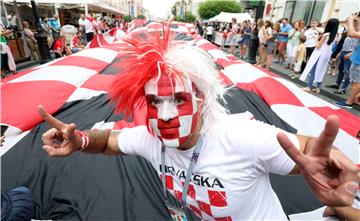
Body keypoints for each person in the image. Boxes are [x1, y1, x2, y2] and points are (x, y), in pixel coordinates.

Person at [37, 24, 359, 220]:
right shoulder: (152, 139)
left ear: (201, 100)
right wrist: (79, 140)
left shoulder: (239, 135)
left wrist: (318, 161)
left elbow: (303, 149)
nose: (164, 115)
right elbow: (107, 141)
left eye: (178, 99)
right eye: (154, 102)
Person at [300, 18, 340, 94]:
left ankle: (309, 87)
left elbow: (318, 46)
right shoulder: (335, 34)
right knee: (321, 70)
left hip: (319, 53)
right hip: (327, 54)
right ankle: (318, 88)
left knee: (313, 70)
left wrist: (315, 38)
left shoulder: (325, 34)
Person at [334, 13, 360, 109]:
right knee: (356, 81)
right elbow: (357, 31)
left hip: (358, 61)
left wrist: (350, 20)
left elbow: (351, 34)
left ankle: (349, 102)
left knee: (356, 82)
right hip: (357, 58)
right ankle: (356, 99)